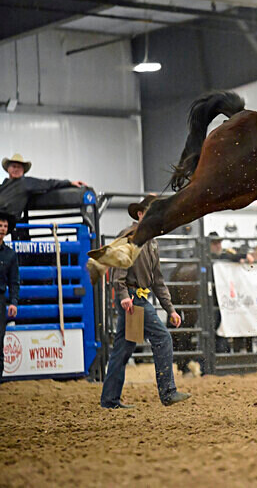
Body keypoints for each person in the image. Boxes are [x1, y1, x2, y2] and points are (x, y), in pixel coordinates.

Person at [101, 195, 191, 409]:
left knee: (123, 348)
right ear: (140, 214)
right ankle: (168, 392)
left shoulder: (151, 242)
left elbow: (157, 280)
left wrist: (170, 309)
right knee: (162, 338)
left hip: (136, 298)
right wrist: (123, 295)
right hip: (134, 299)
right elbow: (119, 268)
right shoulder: (130, 237)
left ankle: (110, 399)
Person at [0, 153, 88, 239]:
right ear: (8, 169)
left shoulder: (26, 183)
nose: (16, 169)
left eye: (19, 167)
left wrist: (69, 183)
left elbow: (48, 183)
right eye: (14, 166)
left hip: (8, 222)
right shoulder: (3, 186)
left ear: (23, 170)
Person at [0, 212, 20, 382]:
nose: (2, 229)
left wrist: (13, 302)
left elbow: (14, 281)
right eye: (0, 225)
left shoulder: (10, 255)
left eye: (5, 226)